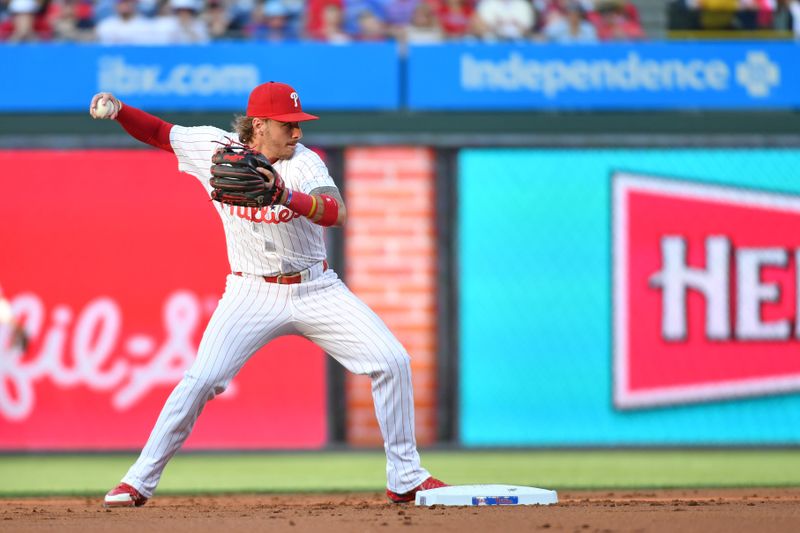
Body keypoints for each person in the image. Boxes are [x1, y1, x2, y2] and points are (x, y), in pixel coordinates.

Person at [89, 81, 446, 507]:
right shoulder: (212, 147)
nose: (297, 133)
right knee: (200, 380)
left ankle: (405, 476)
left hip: (315, 288)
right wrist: (119, 110)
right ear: (258, 125)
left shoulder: (304, 163)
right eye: (287, 125)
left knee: (392, 361)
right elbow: (159, 133)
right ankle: (138, 481)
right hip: (249, 291)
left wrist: (283, 195)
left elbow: (336, 212)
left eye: (298, 124)